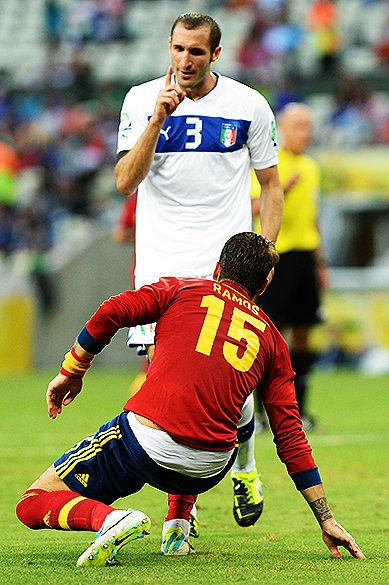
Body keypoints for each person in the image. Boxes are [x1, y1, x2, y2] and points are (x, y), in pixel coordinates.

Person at [16, 232, 365, 565]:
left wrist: (71, 371)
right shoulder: (274, 341)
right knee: (230, 398)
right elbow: (290, 435)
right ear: (264, 285)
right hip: (210, 468)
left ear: (217, 268)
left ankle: (112, 519)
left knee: (32, 503)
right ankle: (179, 524)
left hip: (147, 448)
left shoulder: (181, 289)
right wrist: (326, 518)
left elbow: (112, 312)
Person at [114, 12, 284, 532]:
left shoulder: (248, 104)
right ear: (168, 48)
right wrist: (158, 121)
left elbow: (271, 185)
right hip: (160, 269)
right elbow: (124, 180)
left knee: (228, 381)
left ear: (215, 55)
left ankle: (246, 467)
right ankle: (180, 518)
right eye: (177, 49)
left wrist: (265, 253)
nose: (184, 61)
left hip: (223, 266)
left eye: (195, 52)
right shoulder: (141, 100)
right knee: (168, 387)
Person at [251, 102, 328, 431]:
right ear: (282, 129)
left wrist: (320, 261)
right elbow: (251, 204)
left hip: (304, 256)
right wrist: (281, 190)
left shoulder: (311, 167)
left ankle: (299, 409)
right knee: (267, 337)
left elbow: (313, 216)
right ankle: (261, 411)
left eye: (309, 126)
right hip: (273, 257)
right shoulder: (269, 163)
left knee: (303, 333)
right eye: (299, 126)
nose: (305, 133)